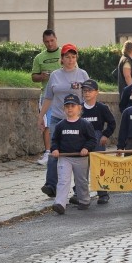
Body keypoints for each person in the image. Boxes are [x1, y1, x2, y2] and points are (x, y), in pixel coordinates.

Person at [38, 43, 89, 198]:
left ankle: (78, 188)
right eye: (67, 57)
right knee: (55, 150)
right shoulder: (55, 75)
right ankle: (51, 185)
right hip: (58, 119)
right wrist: (41, 116)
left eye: (73, 57)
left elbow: (89, 95)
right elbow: (48, 97)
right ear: (62, 59)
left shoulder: (82, 75)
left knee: (79, 153)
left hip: (77, 120)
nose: (70, 59)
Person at [49, 94, 97, 215]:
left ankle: (84, 200)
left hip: (81, 158)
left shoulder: (85, 124)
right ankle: (60, 203)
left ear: (79, 108)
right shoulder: (60, 125)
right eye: (67, 106)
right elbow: (54, 140)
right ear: (63, 109)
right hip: (65, 158)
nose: (70, 109)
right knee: (63, 180)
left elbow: (92, 140)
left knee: (81, 180)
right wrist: (54, 149)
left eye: (73, 106)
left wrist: (86, 148)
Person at [80, 79, 116, 205]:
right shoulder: (78, 108)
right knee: (82, 167)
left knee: (100, 167)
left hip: (97, 137)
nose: (87, 93)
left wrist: (105, 135)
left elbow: (112, 123)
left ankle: (103, 193)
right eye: (84, 91)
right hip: (82, 139)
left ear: (96, 92)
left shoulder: (102, 108)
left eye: (90, 91)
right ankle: (80, 193)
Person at [31, 29, 62, 165]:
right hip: (46, 95)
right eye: (46, 42)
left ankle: (64, 150)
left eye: (52, 41)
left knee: (65, 122)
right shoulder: (39, 57)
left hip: (62, 94)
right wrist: (41, 76)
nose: (49, 44)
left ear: (56, 39)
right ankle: (48, 152)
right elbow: (33, 77)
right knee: (47, 124)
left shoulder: (64, 53)